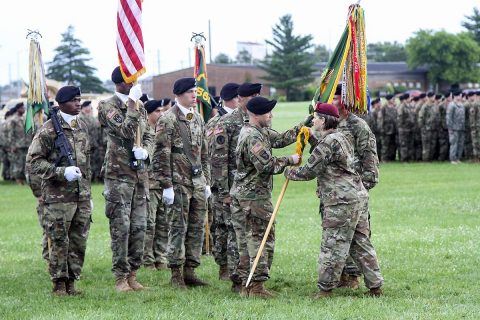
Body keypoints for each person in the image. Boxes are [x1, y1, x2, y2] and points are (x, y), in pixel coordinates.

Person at [285, 102, 384, 298]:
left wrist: (288, 170)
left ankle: (325, 289)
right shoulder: (342, 137)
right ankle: (376, 287)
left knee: (333, 245)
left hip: (341, 201)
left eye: (315, 117)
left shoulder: (330, 142)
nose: (313, 120)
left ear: (323, 120)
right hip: (356, 196)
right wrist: (312, 139)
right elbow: (327, 156)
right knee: (361, 243)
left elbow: (309, 171)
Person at [230, 96, 300, 299]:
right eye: (267, 112)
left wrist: (303, 127)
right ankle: (256, 287)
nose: (271, 115)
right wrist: (290, 160)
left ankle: (246, 284)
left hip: (246, 195)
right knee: (260, 239)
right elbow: (266, 165)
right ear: (255, 114)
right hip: (253, 198)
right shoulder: (252, 136)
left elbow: (279, 139)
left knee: (246, 240)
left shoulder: (259, 132)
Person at [28, 86, 92, 296]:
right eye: (74, 100)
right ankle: (58, 284)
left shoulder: (81, 127)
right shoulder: (48, 130)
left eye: (79, 99)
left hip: (80, 196)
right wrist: (60, 172)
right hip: (57, 198)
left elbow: (86, 164)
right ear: (62, 103)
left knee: (78, 242)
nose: (78, 103)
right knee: (58, 242)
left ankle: (72, 282)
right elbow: (34, 162)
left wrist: (87, 194)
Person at [98, 66, 155, 292]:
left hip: (139, 174)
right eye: (131, 79)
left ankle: (132, 274)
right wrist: (131, 104)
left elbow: (148, 134)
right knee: (121, 227)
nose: (135, 83)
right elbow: (126, 131)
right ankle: (120, 277)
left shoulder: (139, 106)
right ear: (120, 83)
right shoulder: (107, 106)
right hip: (119, 174)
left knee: (140, 227)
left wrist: (147, 151)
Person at [152, 77, 211, 289]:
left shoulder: (197, 118)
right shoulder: (168, 119)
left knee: (196, 227)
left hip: (196, 181)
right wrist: (166, 185)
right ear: (178, 95)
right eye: (189, 92)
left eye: (195, 91)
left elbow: (204, 153)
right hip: (177, 182)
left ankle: (190, 270)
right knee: (178, 227)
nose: (194, 95)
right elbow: (160, 154)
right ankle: (176, 273)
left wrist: (207, 181)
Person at [333, 85, 380, 289]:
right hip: (333, 192)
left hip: (354, 191)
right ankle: (341, 275)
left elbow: (370, 161)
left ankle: (353, 277)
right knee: (335, 235)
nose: (331, 102)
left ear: (344, 101)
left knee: (357, 236)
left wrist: (362, 188)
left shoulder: (358, 126)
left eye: (335, 99)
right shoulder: (330, 123)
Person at [206, 82, 240, 281]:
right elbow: (216, 158)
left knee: (226, 226)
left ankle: (229, 265)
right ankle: (224, 267)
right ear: (234, 98)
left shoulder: (235, 119)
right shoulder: (218, 122)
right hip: (222, 183)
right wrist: (223, 189)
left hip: (230, 182)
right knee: (223, 227)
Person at [143, 99, 171, 270]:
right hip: (149, 184)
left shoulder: (163, 131)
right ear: (148, 114)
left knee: (163, 222)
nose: (161, 114)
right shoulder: (143, 132)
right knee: (149, 223)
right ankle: (147, 259)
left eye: (162, 111)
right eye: (157, 111)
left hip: (163, 183)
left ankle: (160, 257)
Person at [6, 102, 31, 184]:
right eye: (22, 108)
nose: (24, 110)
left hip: (26, 144)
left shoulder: (24, 118)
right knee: (18, 163)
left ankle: (24, 179)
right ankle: (18, 179)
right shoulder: (13, 119)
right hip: (18, 145)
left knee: (25, 163)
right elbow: (11, 133)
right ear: (18, 109)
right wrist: (12, 145)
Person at [78, 100, 101, 181]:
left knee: (94, 162)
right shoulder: (80, 117)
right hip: (86, 144)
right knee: (86, 163)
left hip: (94, 143)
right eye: (89, 107)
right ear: (84, 107)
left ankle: (94, 178)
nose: (91, 108)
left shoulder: (91, 117)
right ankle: (87, 178)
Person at [446, 91, 465, 164]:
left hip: (461, 128)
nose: (461, 97)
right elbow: (449, 118)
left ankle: (457, 158)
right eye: (460, 95)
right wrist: (450, 128)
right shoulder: (451, 105)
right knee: (454, 143)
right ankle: (452, 159)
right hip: (454, 128)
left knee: (460, 144)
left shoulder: (461, 105)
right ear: (456, 96)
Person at [378, 94, 397, 161]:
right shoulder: (384, 108)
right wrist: (381, 128)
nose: (393, 100)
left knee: (393, 144)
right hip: (386, 129)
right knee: (385, 145)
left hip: (394, 129)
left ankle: (392, 158)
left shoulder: (395, 106)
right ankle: (384, 159)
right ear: (389, 100)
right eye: (392, 99)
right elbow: (381, 118)